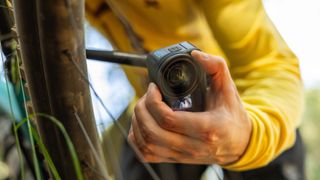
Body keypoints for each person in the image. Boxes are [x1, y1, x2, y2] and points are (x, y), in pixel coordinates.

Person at [85, 0, 305, 179]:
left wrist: (248, 135)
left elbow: (267, 63)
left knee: (272, 142)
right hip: (152, 115)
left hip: (244, 107)